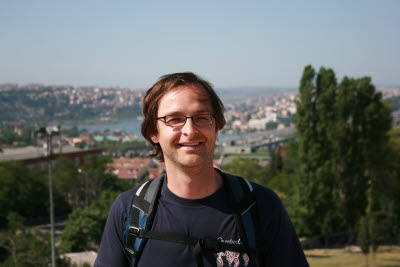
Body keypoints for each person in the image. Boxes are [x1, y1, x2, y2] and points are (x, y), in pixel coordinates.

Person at [95, 72, 309, 267]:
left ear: (217, 127)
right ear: (154, 132)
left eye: (201, 118)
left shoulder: (260, 206)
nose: (190, 130)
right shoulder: (129, 211)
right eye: (175, 119)